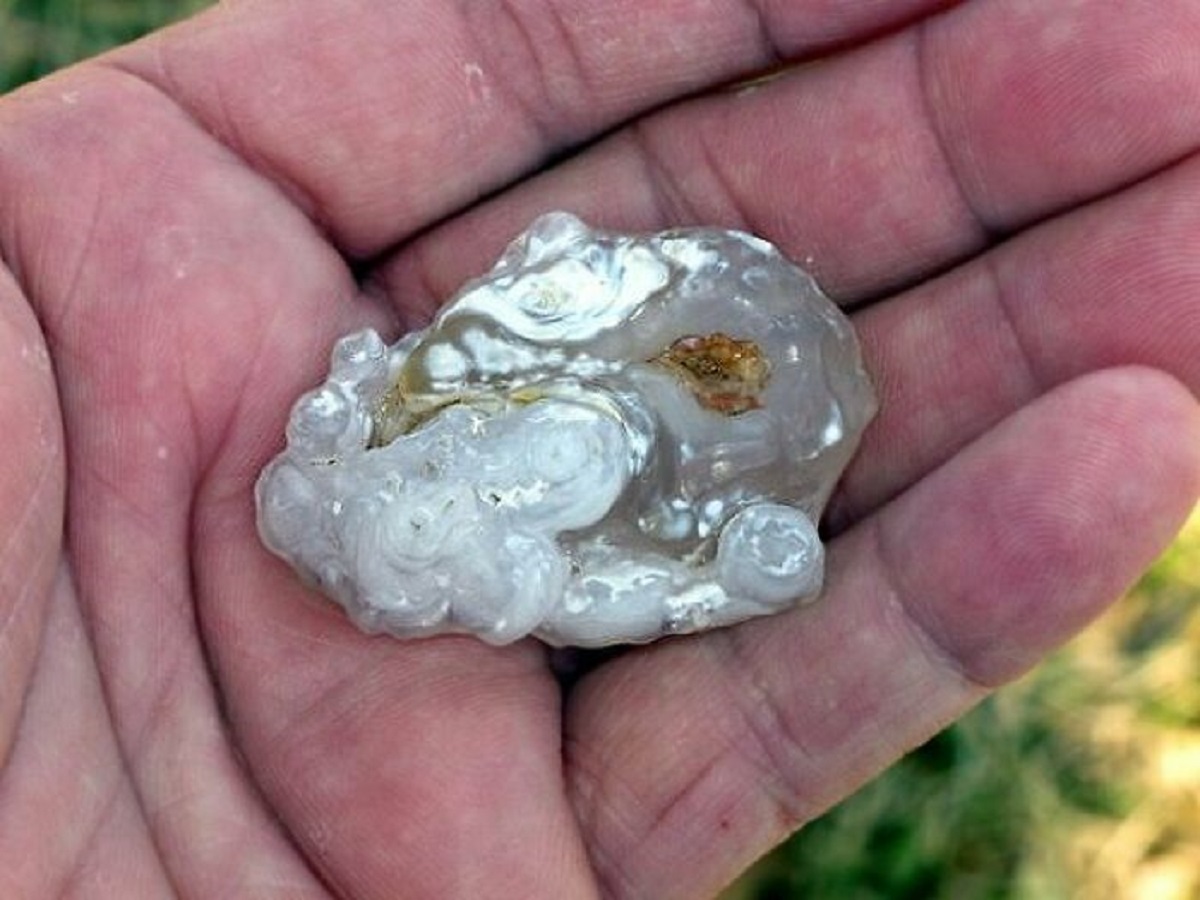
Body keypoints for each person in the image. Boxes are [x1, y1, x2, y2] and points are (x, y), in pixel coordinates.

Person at [0, 1, 1197, 896]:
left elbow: (663, 569)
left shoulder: (552, 497)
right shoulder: (492, 505)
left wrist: (739, 569)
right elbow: (628, 561)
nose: (532, 475)